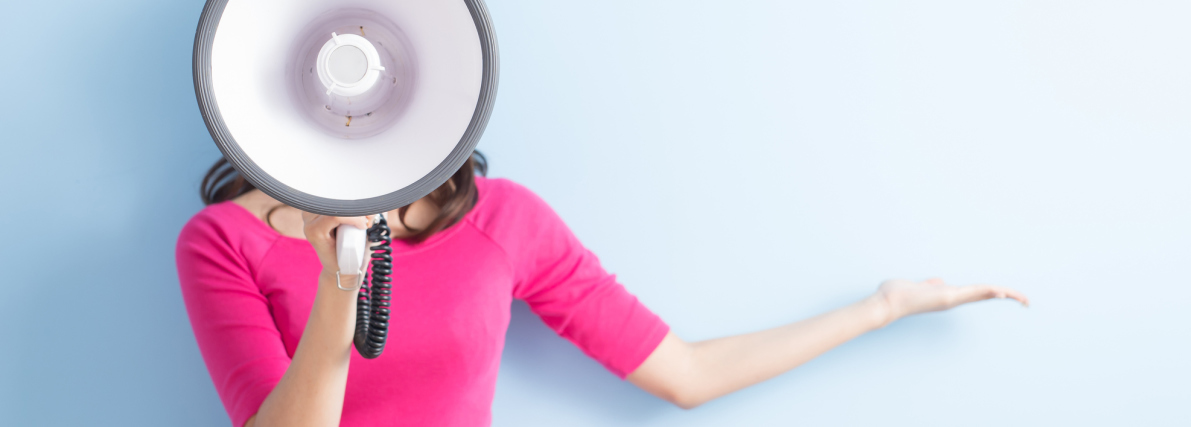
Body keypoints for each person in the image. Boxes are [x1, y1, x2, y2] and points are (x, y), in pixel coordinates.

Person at [177, 152, 1029, 427]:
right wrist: (342, 282)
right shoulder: (223, 240)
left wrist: (883, 306)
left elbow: (684, 373)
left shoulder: (502, 219)